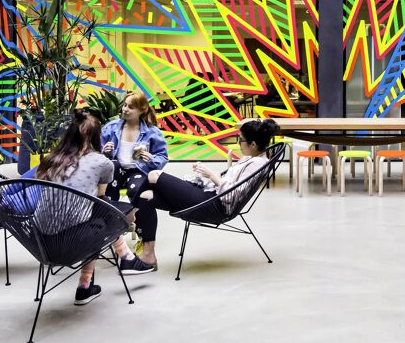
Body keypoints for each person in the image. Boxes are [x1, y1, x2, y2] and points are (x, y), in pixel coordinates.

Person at [34, 109, 154, 306]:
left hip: (39, 241)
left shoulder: (50, 161)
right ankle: (85, 285)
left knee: (96, 214)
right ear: (96, 137)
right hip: (73, 243)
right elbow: (101, 198)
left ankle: (127, 257)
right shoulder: (102, 163)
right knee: (104, 214)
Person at [140, 118, 279, 219]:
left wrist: (211, 175)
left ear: (253, 144)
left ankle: (127, 218)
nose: (239, 143)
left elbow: (234, 194)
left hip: (214, 204)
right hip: (210, 196)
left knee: (154, 175)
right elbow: (230, 183)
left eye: (241, 139)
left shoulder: (257, 164)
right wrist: (207, 174)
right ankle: (147, 247)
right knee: (145, 196)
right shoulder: (252, 159)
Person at [99, 92, 168, 270]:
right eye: (125, 105)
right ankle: (113, 234)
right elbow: (95, 152)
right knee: (106, 192)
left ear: (142, 110)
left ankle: (143, 240)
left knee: (140, 193)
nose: (125, 109)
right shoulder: (111, 127)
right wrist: (103, 151)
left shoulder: (152, 132)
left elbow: (162, 158)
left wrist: (150, 158)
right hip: (116, 168)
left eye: (130, 107)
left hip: (139, 169)